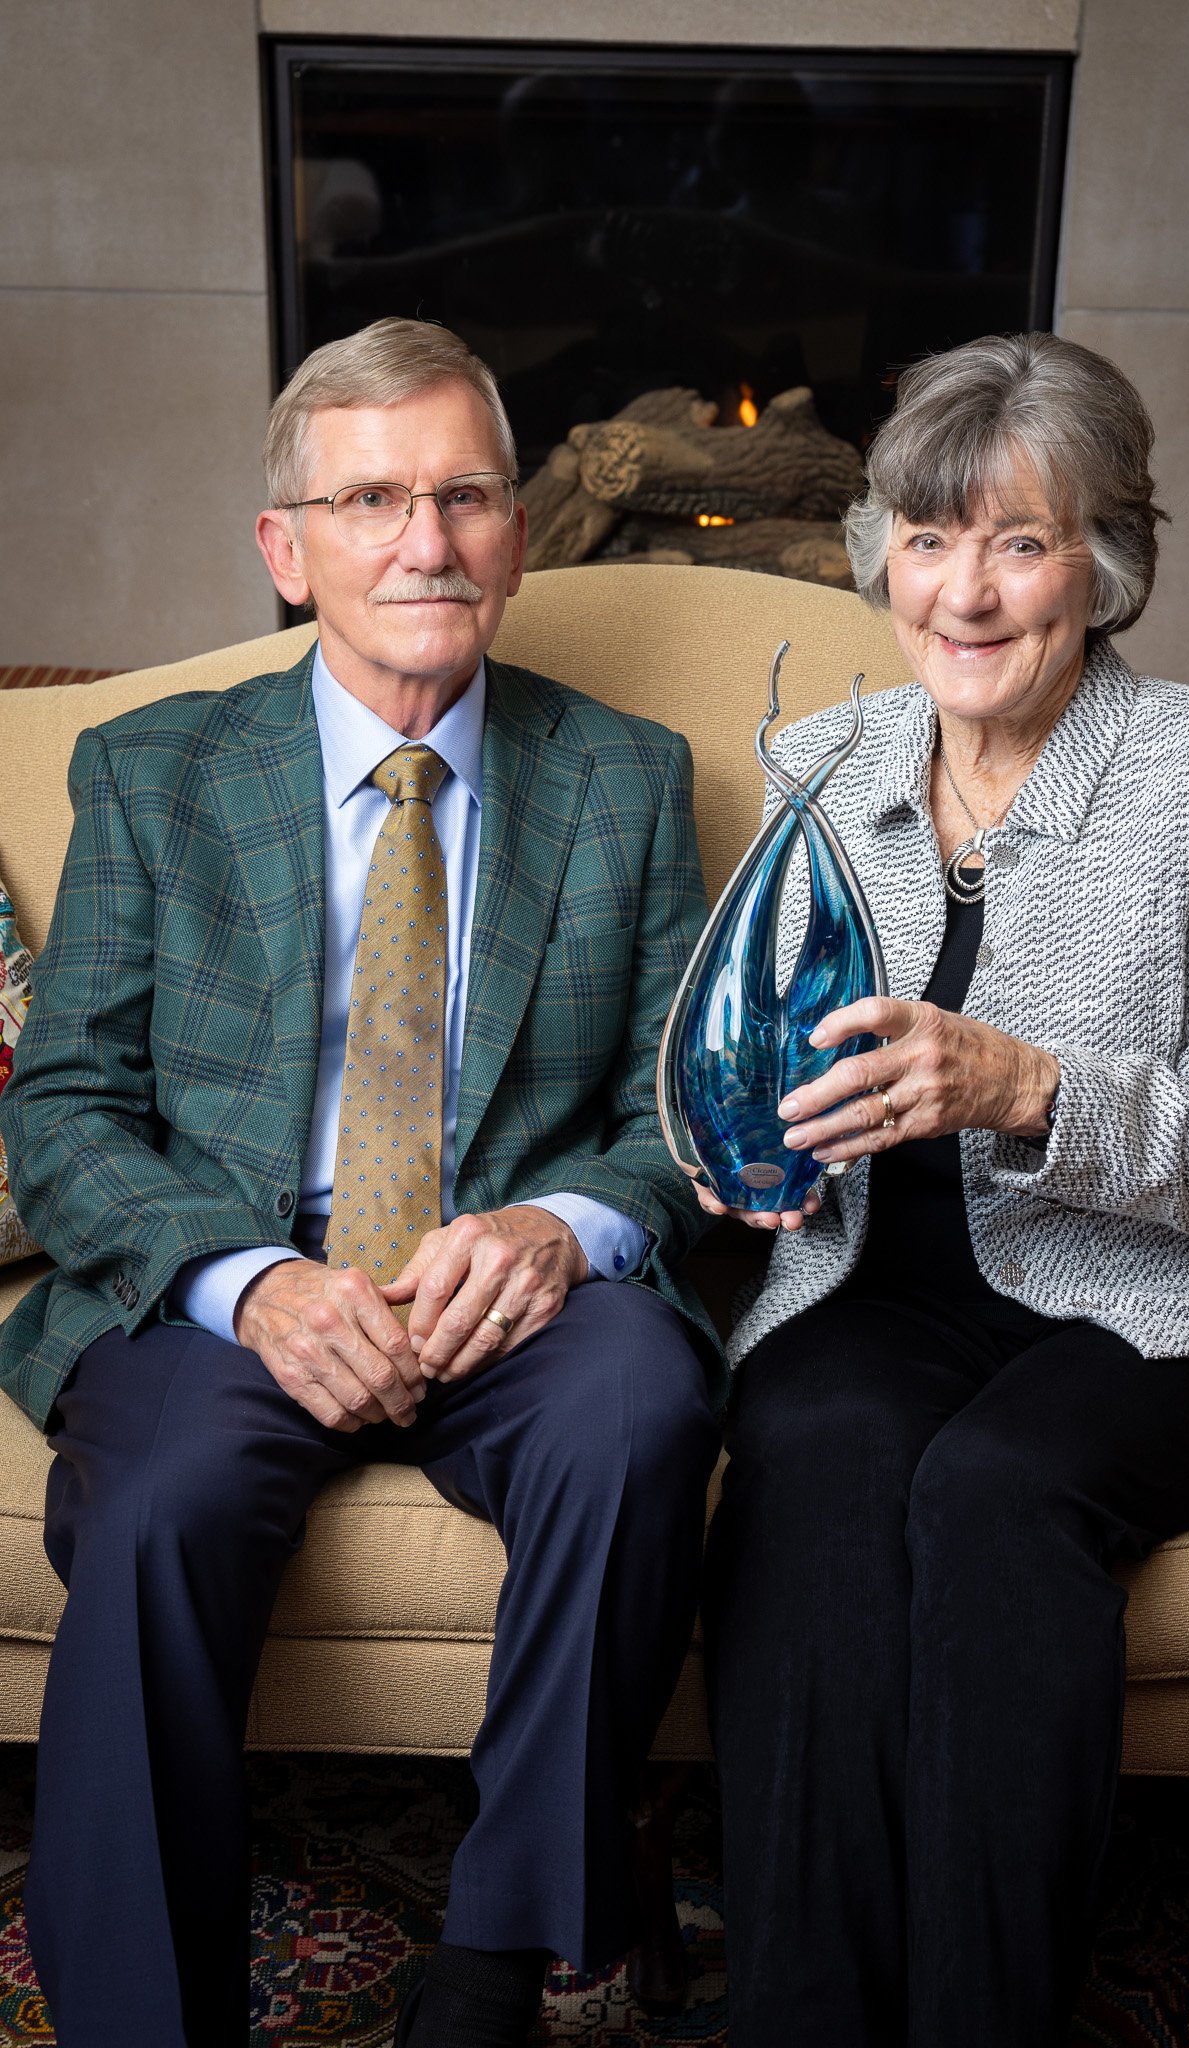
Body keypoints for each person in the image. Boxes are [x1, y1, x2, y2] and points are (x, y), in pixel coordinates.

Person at [0, 317, 722, 2048]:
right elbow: (73, 1106)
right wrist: (247, 1281)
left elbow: (675, 1105)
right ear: (286, 546)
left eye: (464, 495)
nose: (426, 540)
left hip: (508, 1287)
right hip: (237, 1276)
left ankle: (498, 1961)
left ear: (519, 533)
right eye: (374, 497)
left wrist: (567, 1227)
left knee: (636, 1408)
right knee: (161, 1507)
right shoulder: (157, 774)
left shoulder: (623, 780)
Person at [696, 330, 1189, 2048]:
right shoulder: (821, 767)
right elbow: (747, 1048)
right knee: (810, 1450)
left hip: (1174, 1303)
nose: (963, 595)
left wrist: (1018, 1079)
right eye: (926, 540)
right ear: (878, 560)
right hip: (879, 1287)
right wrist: (742, 1149)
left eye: (1018, 542)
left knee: (993, 1491)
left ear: (1104, 564)